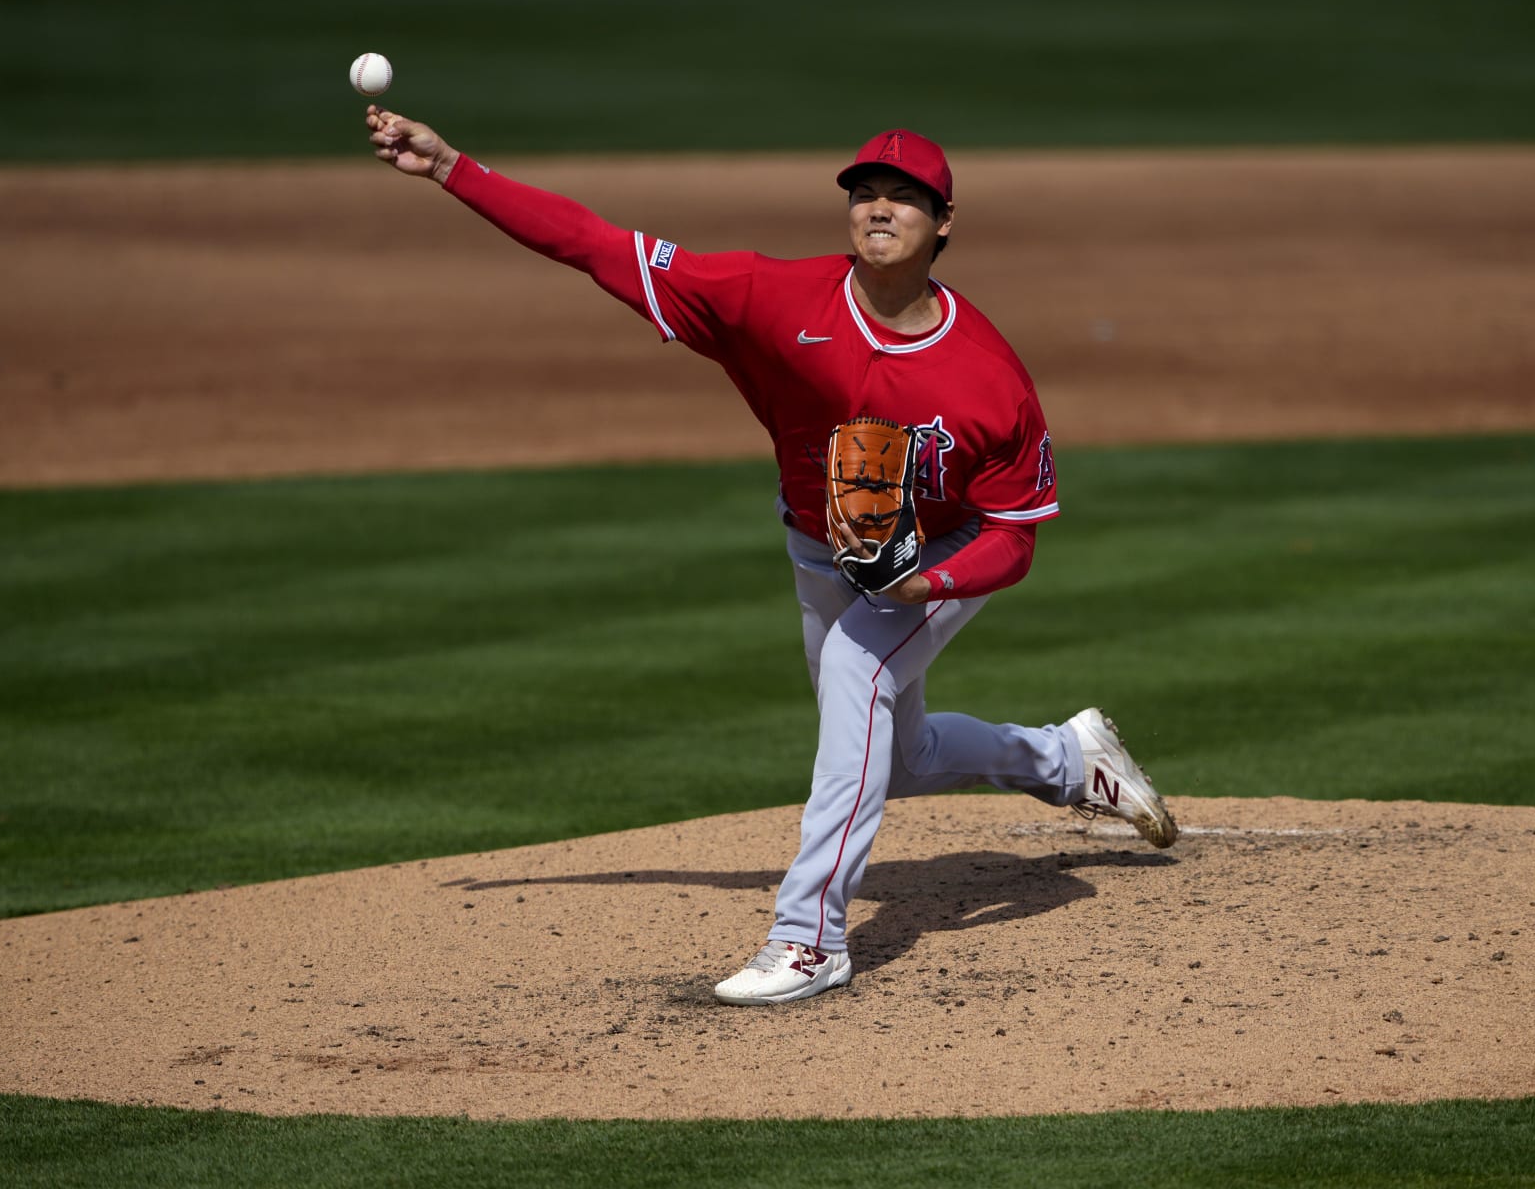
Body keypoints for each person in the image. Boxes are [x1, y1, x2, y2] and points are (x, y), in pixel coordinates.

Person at [364, 107, 1178, 1005]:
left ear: (943, 224)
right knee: (893, 753)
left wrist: (925, 581)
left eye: (904, 198)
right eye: (864, 191)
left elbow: (1013, 537)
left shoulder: (989, 377)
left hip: (939, 550)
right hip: (818, 546)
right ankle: (1069, 761)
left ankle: (809, 938)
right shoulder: (769, 297)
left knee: (853, 670)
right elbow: (598, 246)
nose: (878, 206)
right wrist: (451, 168)